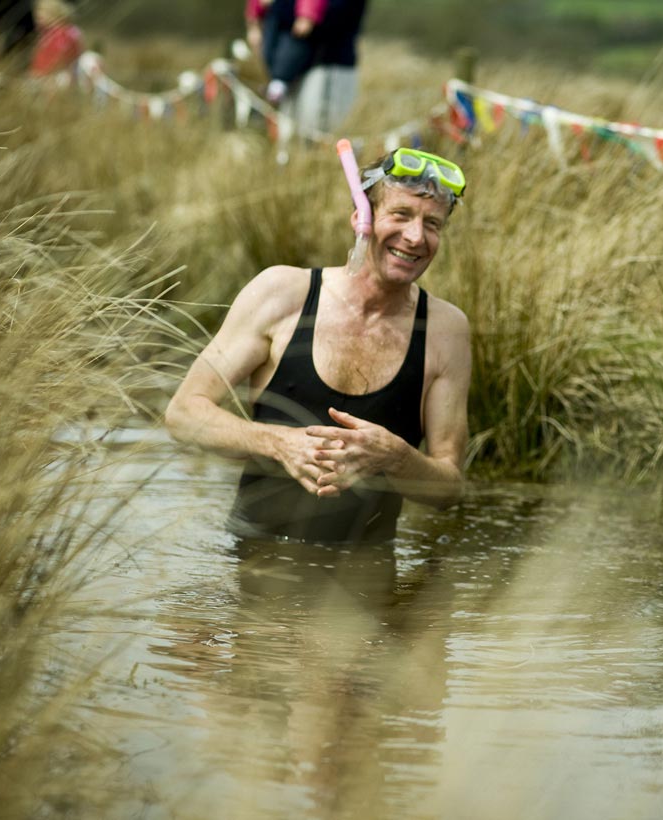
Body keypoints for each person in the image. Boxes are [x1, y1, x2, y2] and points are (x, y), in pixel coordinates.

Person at [165, 148, 471, 544]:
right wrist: (277, 442)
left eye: (432, 224)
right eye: (400, 215)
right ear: (361, 218)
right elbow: (183, 414)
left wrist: (396, 456)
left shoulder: (446, 331)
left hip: (367, 576)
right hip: (256, 558)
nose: (416, 237)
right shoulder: (281, 293)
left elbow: (449, 489)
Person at [245, 0, 369, 136]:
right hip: (295, 71)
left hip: (328, 70)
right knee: (292, 135)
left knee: (318, 135)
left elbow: (330, 16)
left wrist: (276, 5)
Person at [28, 0, 82, 79]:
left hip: (55, 78)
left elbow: (58, 59)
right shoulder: (47, 33)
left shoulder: (63, 34)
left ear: (55, 13)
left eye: (43, 10)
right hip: (42, 77)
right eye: (37, 10)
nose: (38, 14)